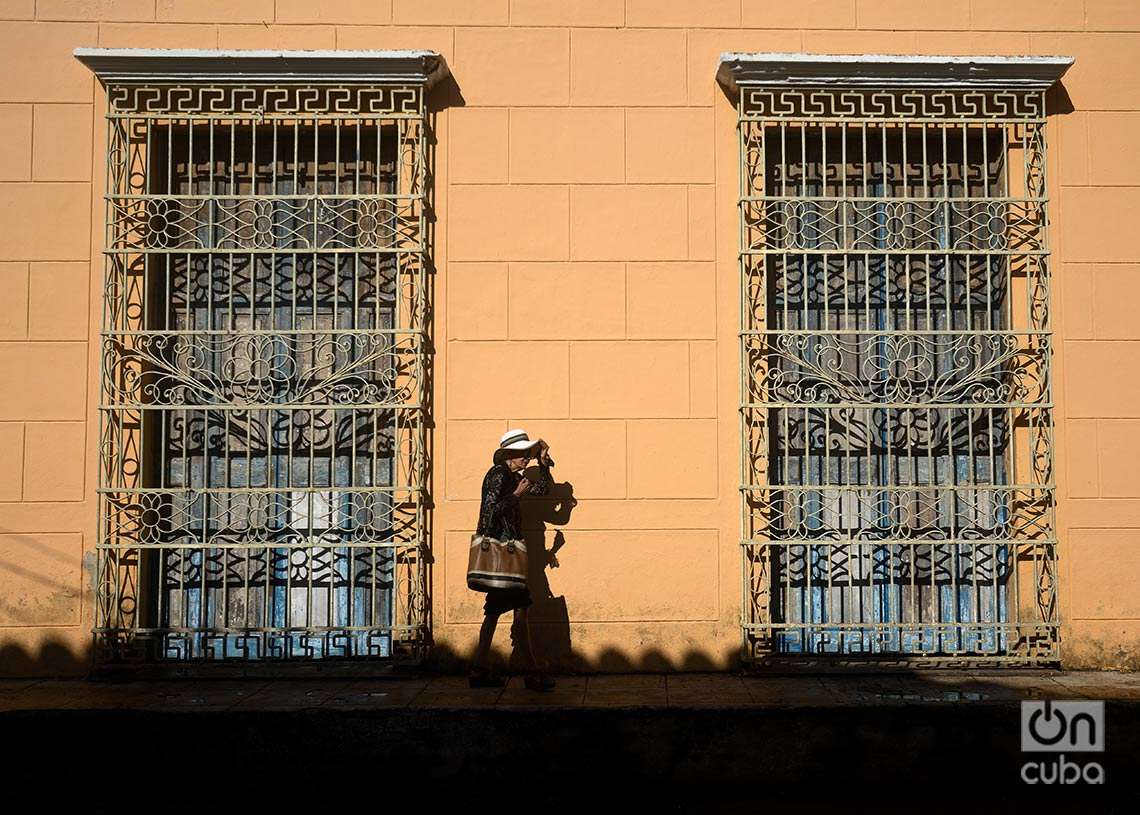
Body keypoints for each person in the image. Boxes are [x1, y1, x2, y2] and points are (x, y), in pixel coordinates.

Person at [468, 428, 558, 691]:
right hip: (502, 555)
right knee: (519, 608)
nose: (526, 459)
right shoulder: (498, 475)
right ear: (509, 453)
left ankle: (480, 669)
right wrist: (516, 496)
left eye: (528, 454)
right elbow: (490, 512)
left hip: (509, 555)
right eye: (523, 454)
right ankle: (531, 672)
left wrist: (544, 463)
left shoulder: (511, 476)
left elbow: (543, 490)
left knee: (500, 611)